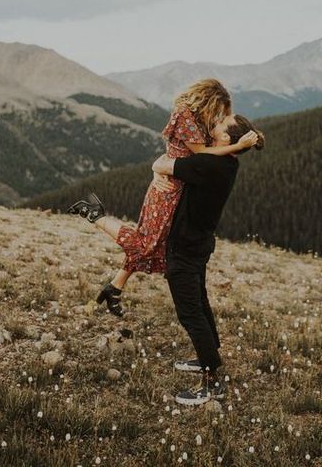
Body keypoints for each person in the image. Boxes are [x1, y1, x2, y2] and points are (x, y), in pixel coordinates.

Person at [67, 80, 258, 317]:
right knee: (147, 244)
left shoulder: (199, 118)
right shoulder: (185, 117)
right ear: (209, 101)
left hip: (177, 186)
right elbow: (201, 155)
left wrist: (159, 166)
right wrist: (236, 146)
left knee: (154, 244)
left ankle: (114, 288)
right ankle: (94, 214)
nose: (218, 119)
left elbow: (179, 154)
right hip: (167, 190)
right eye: (218, 112)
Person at [152, 113, 265, 406]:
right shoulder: (227, 163)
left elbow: (163, 163)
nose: (213, 124)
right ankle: (208, 355)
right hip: (200, 243)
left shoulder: (208, 164)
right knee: (200, 303)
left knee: (190, 312)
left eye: (219, 124)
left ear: (226, 139)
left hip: (186, 245)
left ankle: (212, 381)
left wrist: (157, 171)